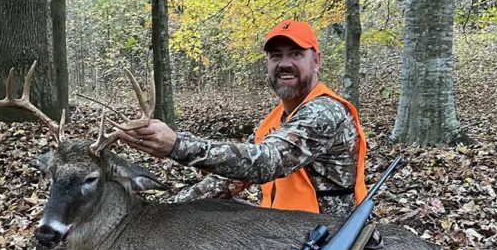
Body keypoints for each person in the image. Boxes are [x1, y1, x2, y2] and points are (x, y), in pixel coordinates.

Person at [117, 20, 367, 217]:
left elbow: (265, 163)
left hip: (329, 240)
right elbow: (228, 180)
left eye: (296, 54)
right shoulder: (275, 122)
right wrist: (156, 210)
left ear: (316, 61)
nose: (284, 64)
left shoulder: (325, 112)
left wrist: (177, 146)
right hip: (286, 233)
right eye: (275, 56)